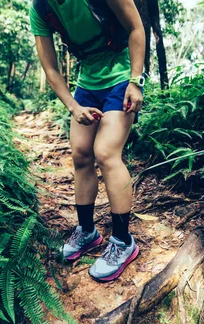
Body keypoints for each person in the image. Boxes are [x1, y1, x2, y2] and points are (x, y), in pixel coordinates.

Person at [29, 0, 146, 282]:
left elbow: (136, 28)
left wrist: (136, 80)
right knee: (81, 155)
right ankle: (87, 232)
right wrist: (73, 106)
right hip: (87, 84)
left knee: (106, 153)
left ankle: (122, 242)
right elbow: (51, 68)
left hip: (120, 76)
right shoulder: (40, 8)